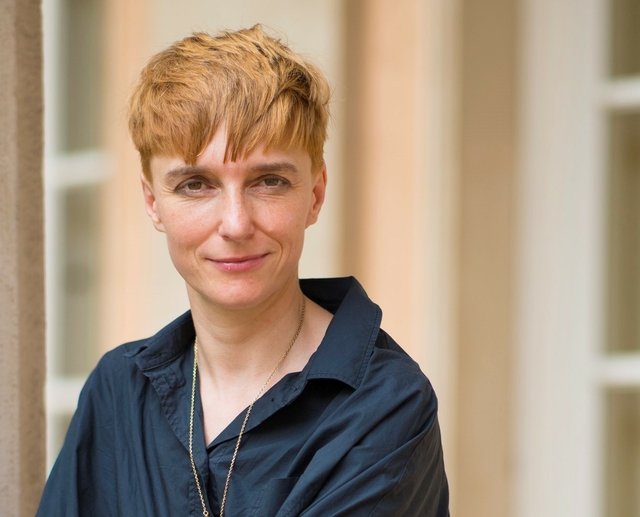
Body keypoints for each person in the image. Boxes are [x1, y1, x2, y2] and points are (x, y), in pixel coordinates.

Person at [37, 25, 449, 516]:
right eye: (195, 185)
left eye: (269, 181)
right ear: (153, 203)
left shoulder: (386, 404)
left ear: (315, 194)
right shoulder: (119, 389)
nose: (235, 224)